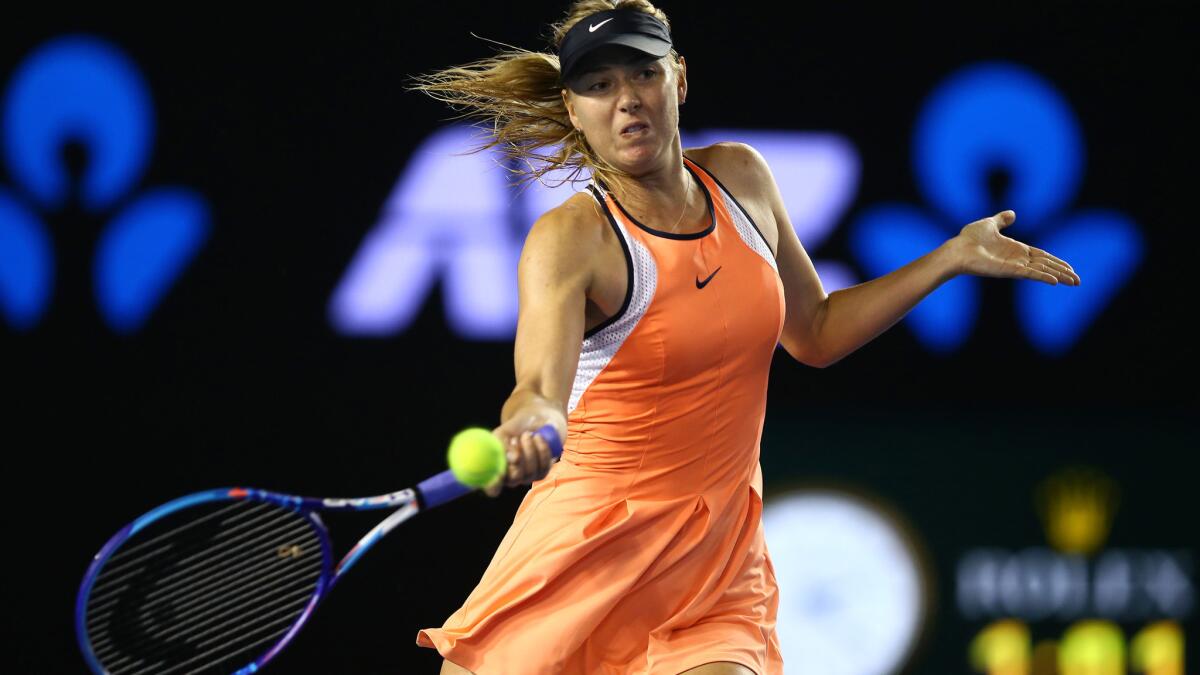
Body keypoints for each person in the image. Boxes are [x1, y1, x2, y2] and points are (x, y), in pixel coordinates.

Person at [413, 2, 1080, 674]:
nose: (626, 102)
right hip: (583, 554)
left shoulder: (742, 177)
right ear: (574, 107)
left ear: (678, 77)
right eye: (598, 86)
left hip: (714, 571)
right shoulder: (569, 239)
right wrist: (526, 423)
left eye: (642, 73)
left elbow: (815, 331)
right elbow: (538, 388)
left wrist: (950, 257)